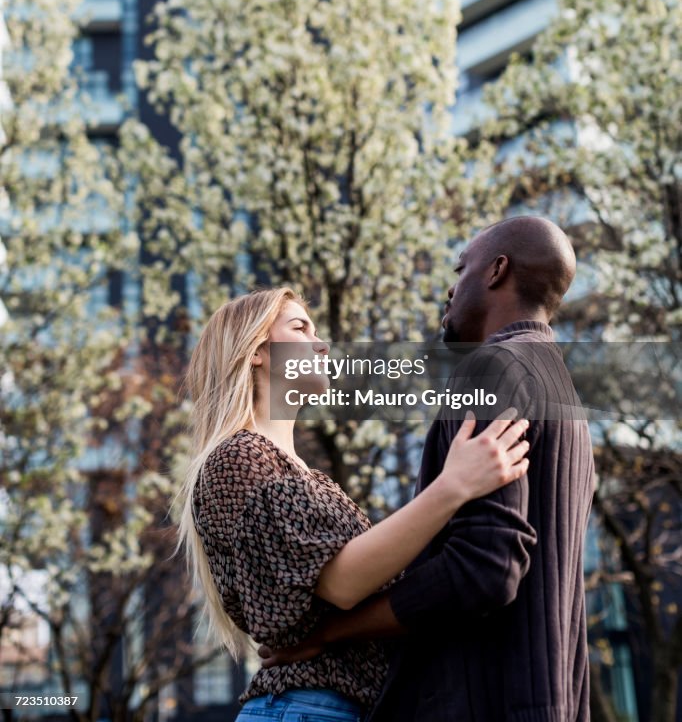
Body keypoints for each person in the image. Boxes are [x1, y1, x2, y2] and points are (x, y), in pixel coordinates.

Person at [259, 216, 596, 722]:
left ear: (497, 271)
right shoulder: (562, 393)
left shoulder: (491, 368)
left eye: (461, 270)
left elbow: (486, 568)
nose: (449, 289)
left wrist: (326, 633)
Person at [173, 285, 531, 722]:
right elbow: (341, 583)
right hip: (306, 708)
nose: (321, 343)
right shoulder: (239, 458)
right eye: (300, 327)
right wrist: (453, 486)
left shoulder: (302, 474)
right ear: (255, 352)